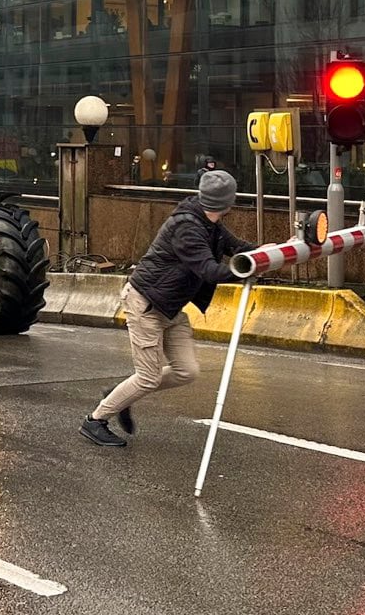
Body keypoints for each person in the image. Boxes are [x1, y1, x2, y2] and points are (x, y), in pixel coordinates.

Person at [81, 169, 251, 448]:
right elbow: (209, 270)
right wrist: (245, 272)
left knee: (187, 370)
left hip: (170, 308)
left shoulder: (211, 222)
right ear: (226, 202)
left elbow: (239, 247)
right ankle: (95, 420)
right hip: (145, 305)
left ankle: (122, 393)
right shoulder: (188, 227)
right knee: (147, 377)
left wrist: (272, 251)